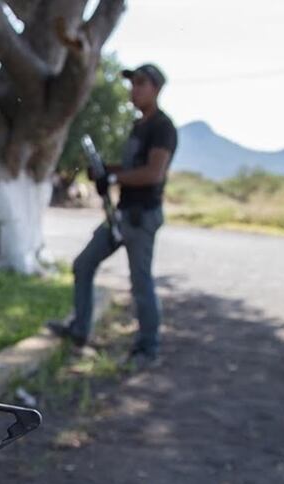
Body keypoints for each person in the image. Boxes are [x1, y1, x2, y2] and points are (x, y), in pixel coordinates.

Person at [48, 63, 177, 370]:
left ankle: (148, 347)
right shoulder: (138, 125)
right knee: (83, 264)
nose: (134, 89)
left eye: (141, 83)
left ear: (156, 89)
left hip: (141, 217)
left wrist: (114, 180)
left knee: (140, 282)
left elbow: (153, 173)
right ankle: (80, 330)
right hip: (120, 215)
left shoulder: (163, 127)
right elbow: (132, 166)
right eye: (132, 83)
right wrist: (107, 169)